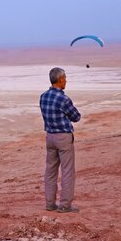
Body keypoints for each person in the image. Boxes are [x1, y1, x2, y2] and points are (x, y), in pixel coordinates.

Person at [39, 67, 81, 213]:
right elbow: (76, 117)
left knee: (50, 171)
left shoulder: (43, 96)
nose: (66, 81)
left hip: (50, 137)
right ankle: (65, 205)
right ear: (60, 79)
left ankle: (50, 204)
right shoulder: (63, 99)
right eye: (65, 78)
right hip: (63, 138)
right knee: (67, 171)